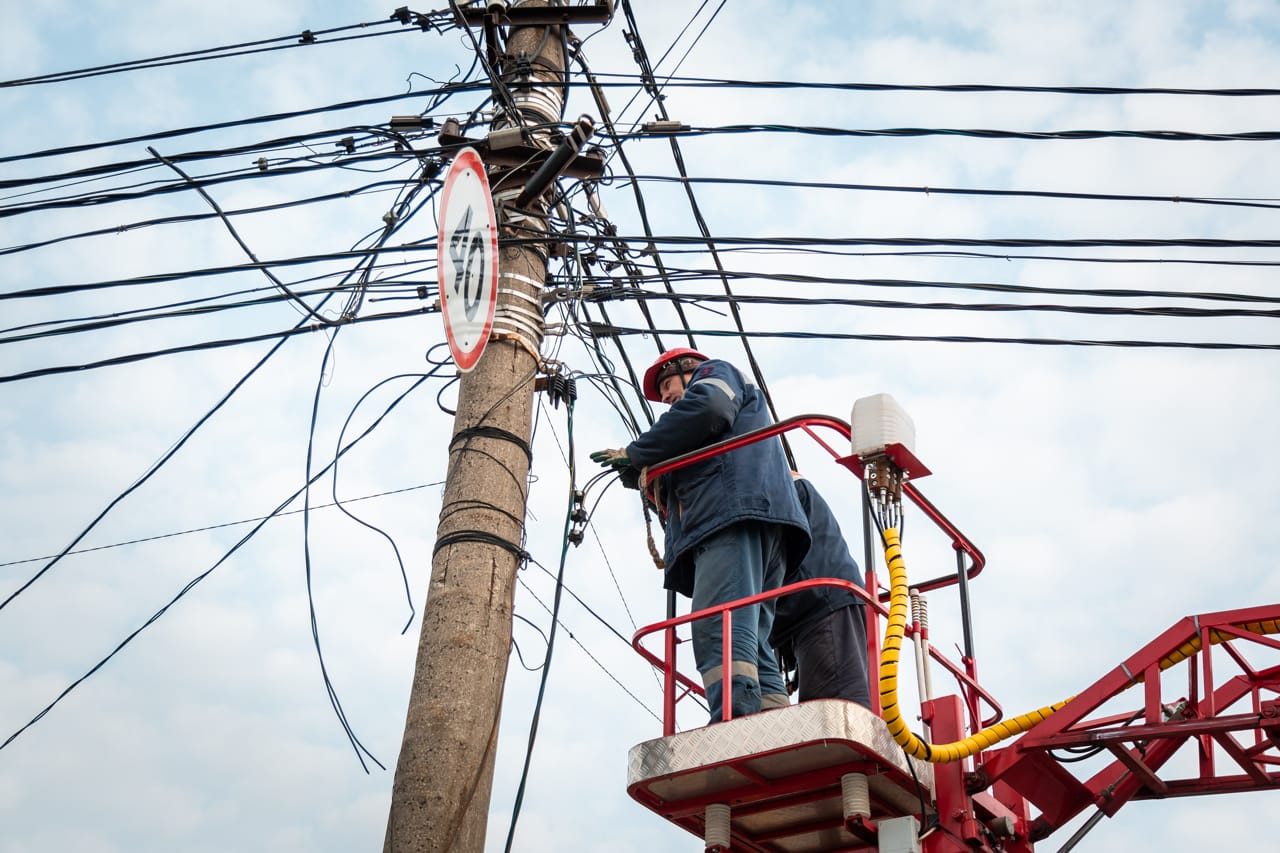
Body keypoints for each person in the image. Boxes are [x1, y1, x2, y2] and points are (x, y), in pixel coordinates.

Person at [592, 348, 809, 723]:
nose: (666, 397)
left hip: (730, 518)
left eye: (667, 384)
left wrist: (638, 453)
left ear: (688, 369)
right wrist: (654, 472)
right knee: (752, 637)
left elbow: (708, 408)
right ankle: (775, 720)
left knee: (716, 624)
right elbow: (704, 435)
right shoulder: (712, 429)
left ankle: (733, 719)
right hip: (759, 522)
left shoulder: (716, 374)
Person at [772, 474, 872, 708]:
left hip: (820, 605)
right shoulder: (784, 486)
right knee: (833, 710)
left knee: (836, 713)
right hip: (823, 604)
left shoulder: (779, 489)